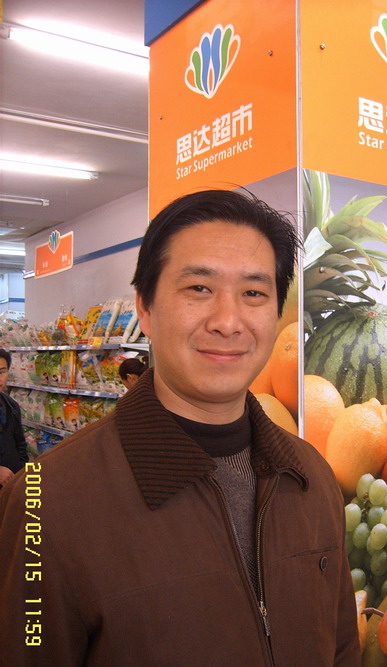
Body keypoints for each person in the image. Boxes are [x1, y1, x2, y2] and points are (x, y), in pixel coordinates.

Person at [0, 189, 361, 666]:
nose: (228, 322)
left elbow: (341, 648)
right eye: (199, 289)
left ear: (277, 314)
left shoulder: (311, 477)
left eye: (254, 293)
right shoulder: (46, 501)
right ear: (145, 309)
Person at [0, 348, 28, 488]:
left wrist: (23, 474)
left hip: (11, 486)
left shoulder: (11, 406)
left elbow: (20, 446)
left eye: (1, 372)